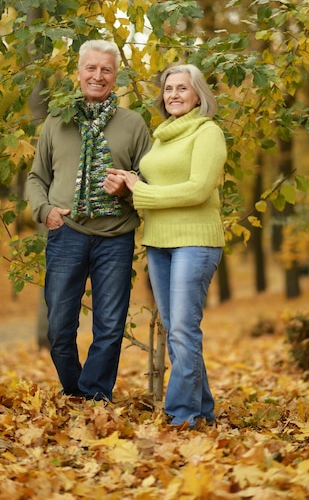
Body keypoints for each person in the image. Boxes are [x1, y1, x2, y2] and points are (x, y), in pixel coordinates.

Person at [26, 39, 151, 402]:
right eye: (91, 68)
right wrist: (45, 211)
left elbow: (148, 179)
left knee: (109, 327)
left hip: (115, 238)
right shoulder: (57, 120)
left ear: (116, 76)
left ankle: (93, 399)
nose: (98, 76)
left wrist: (127, 189)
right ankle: (75, 392)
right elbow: (36, 178)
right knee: (59, 329)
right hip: (67, 234)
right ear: (78, 73)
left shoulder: (133, 124)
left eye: (106, 70)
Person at [108, 63, 227, 429]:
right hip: (158, 242)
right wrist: (131, 183)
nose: (173, 94)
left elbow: (197, 190)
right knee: (176, 329)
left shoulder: (208, 133)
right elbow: (156, 188)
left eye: (182, 88)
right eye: (168, 88)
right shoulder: (161, 136)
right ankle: (202, 410)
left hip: (196, 241)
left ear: (198, 95)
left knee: (182, 330)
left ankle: (182, 416)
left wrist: (141, 191)